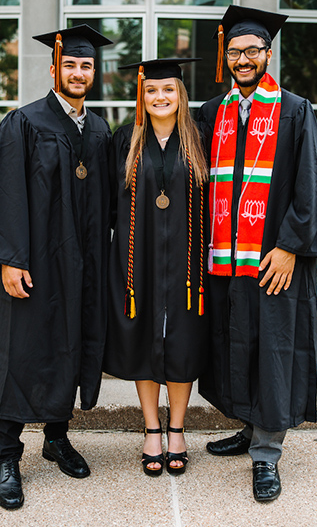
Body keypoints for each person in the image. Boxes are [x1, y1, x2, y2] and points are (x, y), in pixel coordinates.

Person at [0, 24, 113, 509]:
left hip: (85, 265)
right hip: (35, 264)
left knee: (71, 345)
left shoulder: (98, 130)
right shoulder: (24, 122)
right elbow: (5, 194)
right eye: (71, 64)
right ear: (54, 68)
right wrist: (9, 261)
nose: (79, 72)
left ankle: (56, 438)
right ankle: (7, 454)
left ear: (94, 72)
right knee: (24, 350)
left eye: (87, 65)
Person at [198, 5, 317, 502]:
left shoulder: (294, 109)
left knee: (273, 348)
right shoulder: (214, 112)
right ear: (226, 57)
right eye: (235, 51)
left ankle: (268, 453)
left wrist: (291, 248)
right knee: (239, 344)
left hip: (275, 260)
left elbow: (311, 186)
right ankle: (248, 427)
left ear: (268, 54)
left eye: (252, 50)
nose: (243, 58)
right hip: (228, 260)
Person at [103, 58, 209, 476]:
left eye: (168, 90)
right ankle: (151, 428)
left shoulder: (200, 138)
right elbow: (107, 204)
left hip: (188, 263)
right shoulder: (123, 140)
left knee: (182, 340)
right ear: (141, 96)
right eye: (151, 90)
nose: (159, 97)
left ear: (180, 95)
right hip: (136, 259)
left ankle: (178, 428)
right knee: (141, 336)